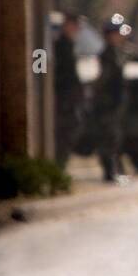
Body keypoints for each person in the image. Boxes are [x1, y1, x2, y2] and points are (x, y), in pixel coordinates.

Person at [93, 15, 131, 182]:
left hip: (114, 104)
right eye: (118, 33)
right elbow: (103, 80)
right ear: (111, 34)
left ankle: (114, 171)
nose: (121, 36)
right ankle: (109, 173)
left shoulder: (116, 53)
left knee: (114, 138)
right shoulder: (107, 55)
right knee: (108, 138)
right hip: (107, 104)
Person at [52, 13, 84, 168]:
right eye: (74, 25)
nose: (77, 29)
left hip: (69, 98)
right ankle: (58, 166)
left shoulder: (70, 45)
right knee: (64, 132)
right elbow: (42, 69)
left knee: (71, 130)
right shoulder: (59, 45)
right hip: (62, 97)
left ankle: (60, 166)